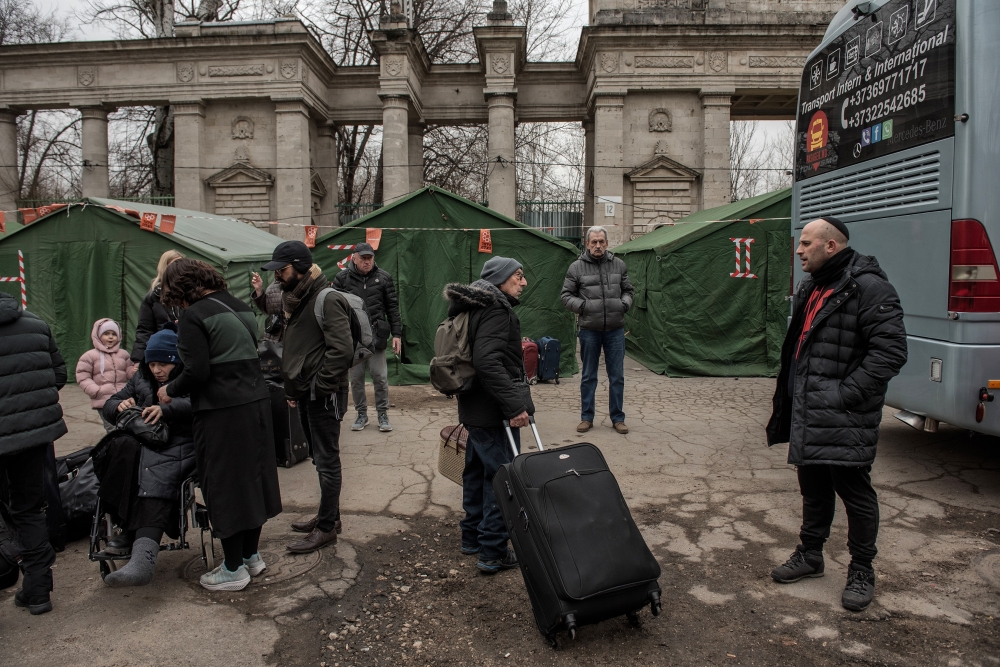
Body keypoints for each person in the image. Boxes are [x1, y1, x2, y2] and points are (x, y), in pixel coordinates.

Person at [766, 216, 907, 612]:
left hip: (843, 414)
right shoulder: (812, 286)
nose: (799, 250)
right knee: (813, 488)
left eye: (807, 243)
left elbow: (891, 352)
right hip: (807, 410)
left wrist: (845, 395)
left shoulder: (870, 288)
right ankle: (811, 555)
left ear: (831, 246)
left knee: (855, 494)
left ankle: (862, 570)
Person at [158, 258, 282, 591]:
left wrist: (168, 390)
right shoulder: (240, 305)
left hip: (222, 412)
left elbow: (197, 372)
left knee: (225, 486)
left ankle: (231, 568)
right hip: (257, 404)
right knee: (254, 480)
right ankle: (251, 557)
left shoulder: (194, 316)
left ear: (181, 289)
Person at [443, 256, 533, 574]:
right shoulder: (496, 307)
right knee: (503, 478)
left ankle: (472, 538)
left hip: (473, 406)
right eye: (518, 276)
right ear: (500, 279)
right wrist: (515, 406)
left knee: (477, 474)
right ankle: (492, 551)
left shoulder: (471, 304)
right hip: (494, 411)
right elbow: (487, 362)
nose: (523, 282)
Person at [263, 241, 354, 554]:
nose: (277, 276)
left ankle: (327, 528)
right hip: (305, 392)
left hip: (322, 394)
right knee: (318, 457)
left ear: (300, 266)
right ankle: (330, 515)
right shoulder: (296, 298)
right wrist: (295, 389)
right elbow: (301, 348)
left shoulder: (326, 298)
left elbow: (341, 350)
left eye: (282, 269)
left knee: (327, 461)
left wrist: (320, 385)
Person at [97, 327, 196, 587]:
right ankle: (125, 531)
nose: (156, 370)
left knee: (155, 472)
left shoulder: (188, 376)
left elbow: (198, 402)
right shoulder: (141, 377)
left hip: (180, 442)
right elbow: (110, 402)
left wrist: (167, 408)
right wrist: (117, 406)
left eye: (162, 364)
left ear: (175, 361)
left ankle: (142, 558)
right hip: (147, 440)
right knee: (119, 449)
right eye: (152, 364)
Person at [0, 291, 67, 615]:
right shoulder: (36, 324)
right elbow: (58, 375)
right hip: (32, 437)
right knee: (29, 509)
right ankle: (38, 589)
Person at [560, 225, 634, 435]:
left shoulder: (619, 265)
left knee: (617, 376)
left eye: (601, 242)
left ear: (607, 244)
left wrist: (624, 305)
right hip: (589, 330)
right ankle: (587, 417)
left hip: (615, 329)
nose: (598, 245)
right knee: (589, 376)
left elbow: (628, 290)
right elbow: (566, 296)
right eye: (594, 242)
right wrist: (583, 307)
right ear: (587, 244)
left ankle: (618, 418)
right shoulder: (576, 268)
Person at [333, 242, 403, 433]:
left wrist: (397, 334)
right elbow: (335, 311)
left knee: (380, 377)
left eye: (369, 258)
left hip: (376, 337)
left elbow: (393, 309)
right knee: (355, 379)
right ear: (353, 258)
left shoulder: (384, 278)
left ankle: (382, 413)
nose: (367, 262)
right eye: (363, 258)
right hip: (353, 338)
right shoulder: (342, 279)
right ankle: (361, 414)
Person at [76, 319, 136, 432]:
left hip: (123, 399)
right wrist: (96, 390)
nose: (110, 337)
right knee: (112, 429)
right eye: (106, 333)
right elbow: (83, 376)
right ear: (98, 336)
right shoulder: (89, 356)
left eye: (114, 334)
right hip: (103, 400)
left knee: (126, 426)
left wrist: (134, 371)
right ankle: (114, 447)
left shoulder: (124, 354)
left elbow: (128, 373)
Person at [131, 250, 184, 363]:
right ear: (165, 267)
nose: (178, 268)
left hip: (188, 350)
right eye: (174, 264)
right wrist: (138, 360)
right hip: (164, 352)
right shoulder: (153, 297)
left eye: (181, 263)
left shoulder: (192, 293)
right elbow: (145, 330)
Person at [251, 271, 285, 343]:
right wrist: (259, 290)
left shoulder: (300, 286)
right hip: (273, 339)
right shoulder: (272, 288)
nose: (277, 273)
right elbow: (266, 309)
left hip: (293, 339)